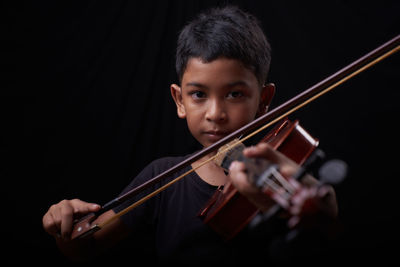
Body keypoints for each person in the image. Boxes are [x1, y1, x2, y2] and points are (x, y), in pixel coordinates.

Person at [42, 5, 338, 265]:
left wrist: (315, 202)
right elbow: (86, 248)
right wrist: (66, 230)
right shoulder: (163, 177)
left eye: (235, 94)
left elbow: (322, 222)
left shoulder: (278, 168)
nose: (215, 113)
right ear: (179, 100)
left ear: (263, 99)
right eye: (198, 94)